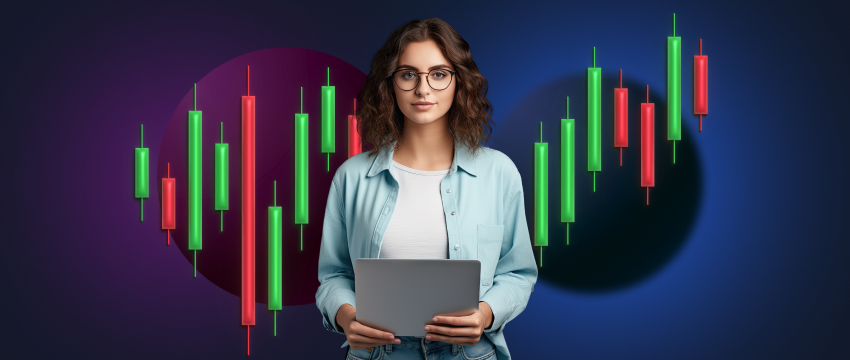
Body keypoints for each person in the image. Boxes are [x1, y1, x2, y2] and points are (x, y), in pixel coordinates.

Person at [315, 18, 537, 360]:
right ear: (390, 84)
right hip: (379, 353)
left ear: (458, 82)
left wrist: (486, 314)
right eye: (408, 74)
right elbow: (334, 276)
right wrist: (346, 317)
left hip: (468, 353)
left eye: (438, 73)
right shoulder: (352, 177)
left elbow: (517, 273)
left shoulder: (499, 172)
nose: (423, 89)